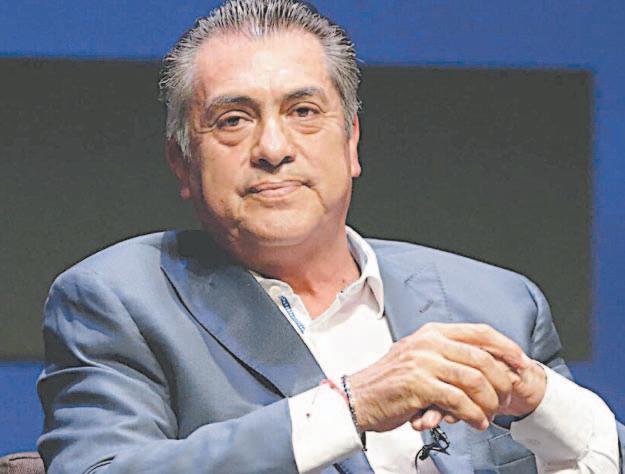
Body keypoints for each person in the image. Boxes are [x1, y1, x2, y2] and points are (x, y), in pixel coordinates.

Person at [37, 1, 624, 473]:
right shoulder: (118, 301)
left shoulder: (499, 303)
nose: (273, 148)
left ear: (351, 142)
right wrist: (352, 405)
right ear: (181, 162)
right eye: (233, 119)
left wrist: (544, 402)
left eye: (303, 111)